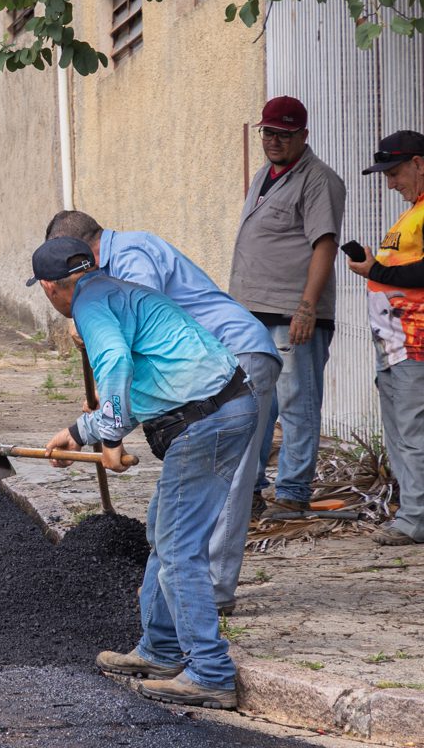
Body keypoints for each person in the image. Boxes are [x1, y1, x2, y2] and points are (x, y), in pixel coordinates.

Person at [32, 236, 257, 710]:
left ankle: (210, 672)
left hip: (206, 419)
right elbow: (154, 378)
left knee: (178, 547)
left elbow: (113, 363)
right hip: (226, 405)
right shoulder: (117, 290)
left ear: (51, 288)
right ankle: (160, 649)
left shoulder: (88, 307)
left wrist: (105, 428)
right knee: (164, 530)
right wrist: (83, 432)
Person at [45, 210, 278, 613]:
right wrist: (92, 426)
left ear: (88, 253)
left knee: (228, 480)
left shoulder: (131, 256)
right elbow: (138, 362)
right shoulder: (106, 274)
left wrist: (111, 424)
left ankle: (210, 593)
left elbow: (130, 345)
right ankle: (169, 608)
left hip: (230, 360)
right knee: (178, 506)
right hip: (199, 376)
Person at [227, 97, 346, 516]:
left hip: (292, 315)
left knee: (297, 403)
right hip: (252, 314)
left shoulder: (318, 179)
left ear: (303, 136)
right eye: (268, 132)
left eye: (283, 133)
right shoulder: (265, 174)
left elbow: (324, 244)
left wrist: (307, 307)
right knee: (253, 406)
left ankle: (293, 494)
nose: (273, 140)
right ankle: (251, 491)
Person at [345, 130, 424, 546]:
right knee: (400, 435)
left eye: (394, 173)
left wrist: (377, 272)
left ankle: (417, 520)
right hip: (395, 345)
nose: (390, 183)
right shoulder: (412, 212)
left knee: (413, 435)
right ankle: (413, 514)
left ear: (419, 164)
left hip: (415, 345)